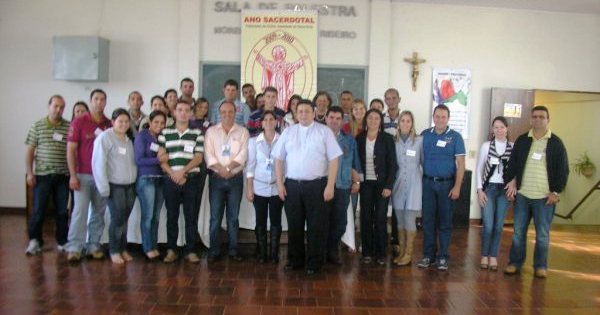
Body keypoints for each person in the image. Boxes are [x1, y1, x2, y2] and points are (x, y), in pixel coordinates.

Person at [273, 99, 342, 275]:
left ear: (314, 113)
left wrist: (330, 186)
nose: (303, 114)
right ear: (295, 114)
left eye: (307, 111)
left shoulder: (324, 132)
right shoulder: (288, 132)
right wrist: (280, 184)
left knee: (316, 226)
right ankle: (295, 260)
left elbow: (334, 159)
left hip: (317, 186)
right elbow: (278, 159)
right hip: (292, 186)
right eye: (300, 111)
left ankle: (314, 262)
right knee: (294, 225)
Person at [503, 106, 569, 278]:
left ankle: (540, 266)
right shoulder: (523, 140)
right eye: (535, 116)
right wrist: (510, 181)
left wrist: (556, 192)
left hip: (544, 198)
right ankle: (515, 263)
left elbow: (563, 170)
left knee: (542, 235)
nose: (538, 119)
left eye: (542, 117)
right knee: (518, 233)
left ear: (548, 119)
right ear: (531, 119)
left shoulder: (556, 143)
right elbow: (513, 164)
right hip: (523, 195)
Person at [64, 89, 112, 262]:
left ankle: (93, 245)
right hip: (82, 175)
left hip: (102, 177)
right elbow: (70, 150)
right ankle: (75, 247)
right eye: (96, 99)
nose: (99, 102)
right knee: (80, 211)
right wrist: (72, 175)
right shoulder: (79, 122)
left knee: (98, 213)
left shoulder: (109, 124)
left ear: (105, 102)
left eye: (102, 99)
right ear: (91, 101)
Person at [417, 104, 465, 271]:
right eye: (437, 116)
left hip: (447, 185)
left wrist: (458, 186)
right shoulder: (424, 135)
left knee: (445, 222)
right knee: (428, 222)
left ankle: (443, 257)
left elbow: (461, 164)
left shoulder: (455, 137)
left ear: (448, 118)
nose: (440, 120)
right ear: (433, 116)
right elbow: (419, 158)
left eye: (443, 117)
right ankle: (428, 255)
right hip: (428, 184)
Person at [158, 100, 204, 264]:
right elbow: (161, 158)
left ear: (191, 113)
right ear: (174, 113)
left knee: (191, 216)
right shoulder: (164, 133)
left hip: (191, 179)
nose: (183, 113)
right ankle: (172, 250)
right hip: (171, 180)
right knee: (172, 216)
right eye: (180, 110)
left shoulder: (197, 133)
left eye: (186, 110)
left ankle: (191, 250)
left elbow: (198, 158)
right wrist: (173, 174)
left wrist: (182, 172)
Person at [204, 101, 250, 263]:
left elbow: (243, 155)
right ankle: (214, 250)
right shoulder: (211, 132)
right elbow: (208, 155)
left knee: (233, 217)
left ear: (235, 112)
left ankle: (233, 250)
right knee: (215, 217)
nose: (227, 115)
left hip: (235, 180)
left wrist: (228, 169)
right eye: (224, 112)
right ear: (219, 113)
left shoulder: (243, 132)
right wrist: (221, 169)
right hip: (216, 180)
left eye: (230, 112)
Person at [25, 95, 70, 255]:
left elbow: (71, 151)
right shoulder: (37, 126)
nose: (58, 110)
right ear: (49, 106)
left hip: (63, 175)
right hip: (42, 175)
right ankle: (35, 240)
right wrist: (30, 173)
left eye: (61, 107)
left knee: (62, 211)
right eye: (55, 106)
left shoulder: (68, 127)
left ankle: (63, 241)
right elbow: (30, 150)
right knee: (39, 209)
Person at [92, 108, 137, 264]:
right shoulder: (105, 138)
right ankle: (114, 250)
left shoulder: (129, 139)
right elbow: (98, 164)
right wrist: (103, 187)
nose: (124, 124)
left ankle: (123, 248)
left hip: (130, 186)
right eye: (120, 121)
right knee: (117, 219)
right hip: (114, 185)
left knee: (125, 219)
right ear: (113, 122)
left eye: (126, 121)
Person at [357, 109, 398, 265]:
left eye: (376, 118)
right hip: (366, 184)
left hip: (382, 185)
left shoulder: (387, 139)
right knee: (366, 218)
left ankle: (381, 253)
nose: (373, 121)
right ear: (366, 120)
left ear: (380, 121)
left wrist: (389, 185)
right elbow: (356, 162)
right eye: (370, 118)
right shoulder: (359, 138)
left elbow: (392, 165)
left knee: (380, 218)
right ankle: (367, 251)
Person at [325, 106, 362, 265]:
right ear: (326, 118)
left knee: (340, 223)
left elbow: (355, 163)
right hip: (322, 187)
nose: (334, 121)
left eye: (338, 118)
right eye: (331, 117)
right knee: (321, 221)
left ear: (342, 121)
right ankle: (321, 251)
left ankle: (332, 250)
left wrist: (357, 181)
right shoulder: (319, 137)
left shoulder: (349, 140)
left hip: (342, 186)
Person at [475, 116, 513, 271]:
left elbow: (516, 169)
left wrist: (514, 185)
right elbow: (479, 168)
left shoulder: (513, 146)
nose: (499, 130)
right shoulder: (486, 146)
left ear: (507, 128)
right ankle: (484, 255)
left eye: (502, 127)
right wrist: (479, 190)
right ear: (492, 129)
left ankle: (493, 256)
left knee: (498, 226)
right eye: (496, 127)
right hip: (489, 188)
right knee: (488, 225)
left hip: (504, 190)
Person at [246, 111, 283, 263]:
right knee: (260, 221)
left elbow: (285, 165)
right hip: (259, 187)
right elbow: (250, 166)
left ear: (276, 122)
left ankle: (274, 254)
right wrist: (249, 188)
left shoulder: (283, 140)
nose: (268, 122)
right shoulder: (253, 141)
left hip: (276, 188)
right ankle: (262, 253)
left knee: (275, 221)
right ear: (261, 124)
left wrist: (282, 185)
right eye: (265, 120)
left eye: (271, 119)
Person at [134, 110, 167, 261]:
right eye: (156, 122)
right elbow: (139, 160)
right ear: (150, 122)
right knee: (147, 216)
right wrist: (158, 161)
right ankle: (147, 247)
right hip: (146, 179)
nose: (159, 125)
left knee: (155, 216)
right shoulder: (142, 136)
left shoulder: (162, 137)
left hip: (160, 179)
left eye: (162, 123)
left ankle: (153, 245)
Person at [391, 111, 423, 266]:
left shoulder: (419, 141)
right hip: (398, 184)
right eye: (402, 120)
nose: (405, 123)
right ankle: (402, 252)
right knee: (399, 220)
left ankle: (408, 254)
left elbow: (423, 162)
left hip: (413, 185)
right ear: (398, 123)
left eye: (408, 121)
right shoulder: (393, 141)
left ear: (412, 123)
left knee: (409, 219)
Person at [383, 88, 402, 255]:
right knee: (383, 204)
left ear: (399, 99)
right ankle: (382, 237)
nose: (391, 101)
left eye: (393, 98)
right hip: (386, 166)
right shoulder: (381, 119)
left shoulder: (405, 118)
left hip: (402, 166)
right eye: (388, 98)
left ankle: (396, 240)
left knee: (398, 205)